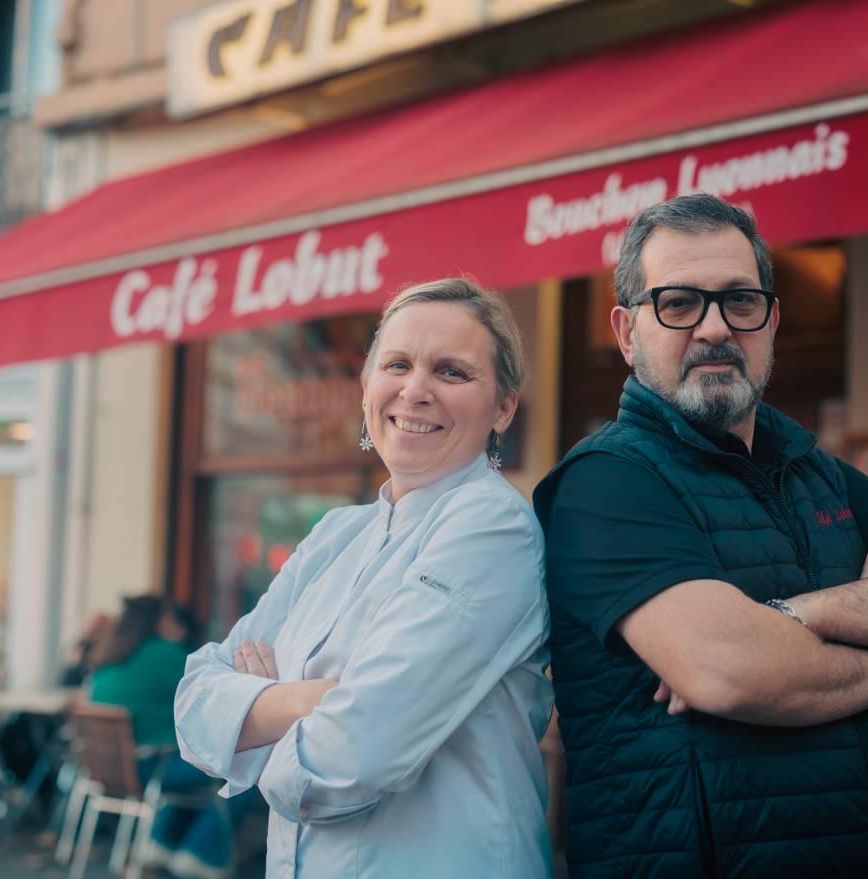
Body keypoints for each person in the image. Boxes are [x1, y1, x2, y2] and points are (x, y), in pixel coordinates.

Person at [533, 194, 868, 879]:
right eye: (679, 303)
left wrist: (800, 615)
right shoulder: (607, 482)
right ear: (627, 331)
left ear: (772, 320)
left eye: (740, 301)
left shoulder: (819, 473)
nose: (716, 328)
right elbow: (727, 670)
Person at [175, 279, 554, 878]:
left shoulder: (493, 528)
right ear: (367, 387)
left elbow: (349, 758)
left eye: (452, 372)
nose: (416, 390)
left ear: (504, 407)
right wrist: (315, 699)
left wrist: (253, 724)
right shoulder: (336, 534)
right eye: (396, 364)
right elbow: (194, 704)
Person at [88, 595, 254, 879]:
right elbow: (217, 692)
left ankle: (160, 844)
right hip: (153, 769)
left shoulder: (109, 657)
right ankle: (203, 855)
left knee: (196, 765)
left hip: (111, 771)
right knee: (245, 769)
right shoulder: (167, 655)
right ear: (158, 622)